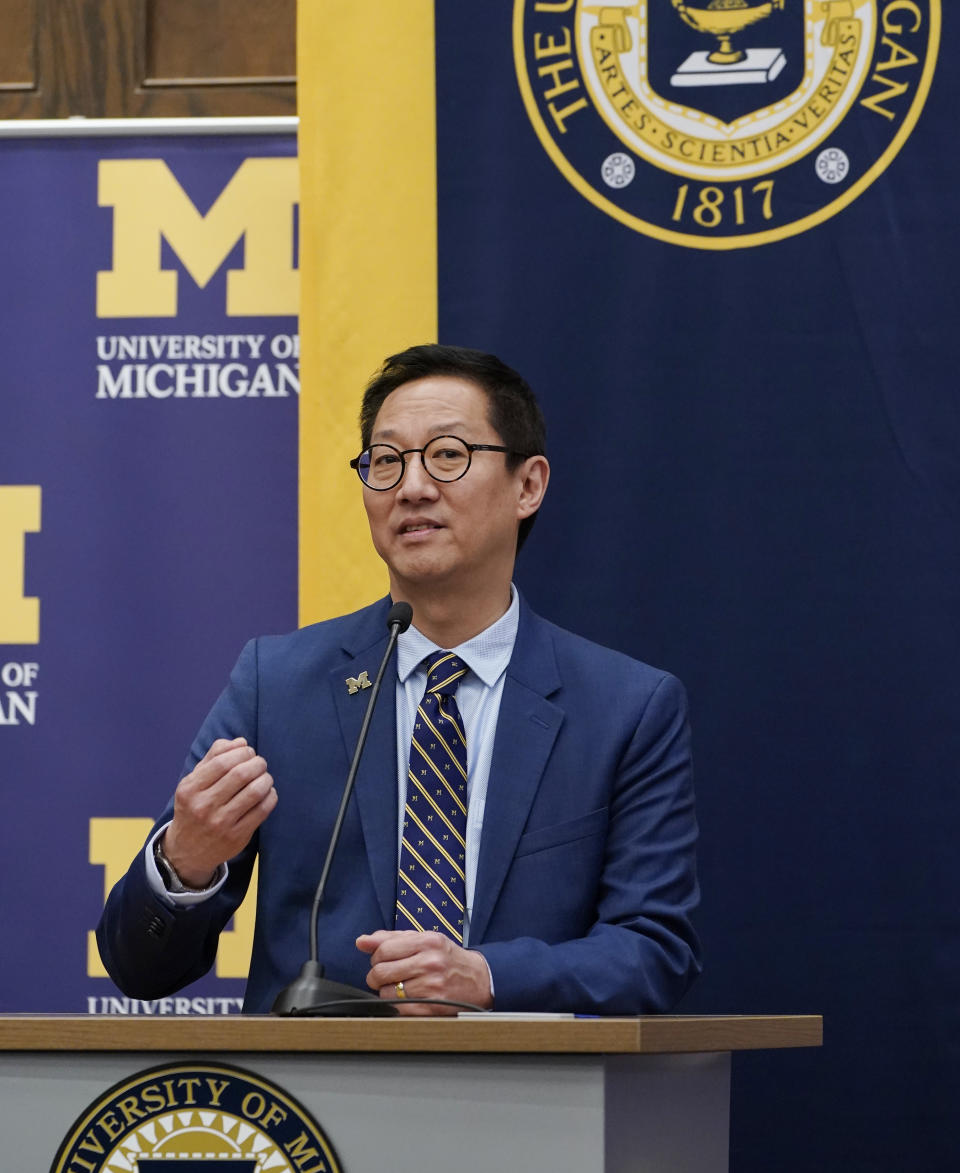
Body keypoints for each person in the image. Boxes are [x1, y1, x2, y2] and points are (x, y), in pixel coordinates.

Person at [97, 344, 700, 1015]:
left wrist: (486, 976)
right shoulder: (278, 684)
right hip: (311, 1108)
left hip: (531, 1102)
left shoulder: (625, 708)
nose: (412, 486)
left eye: (447, 454)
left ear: (528, 484)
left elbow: (653, 951)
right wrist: (186, 862)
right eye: (386, 461)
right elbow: (138, 968)